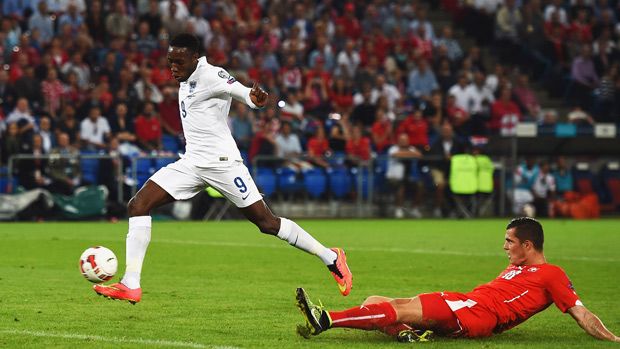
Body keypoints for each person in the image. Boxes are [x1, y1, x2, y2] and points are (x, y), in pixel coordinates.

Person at [93, 34, 352, 304]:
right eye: (170, 61)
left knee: (267, 223)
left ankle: (331, 257)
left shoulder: (212, 74)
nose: (173, 67)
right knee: (138, 205)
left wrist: (255, 99)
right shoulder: (185, 77)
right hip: (192, 163)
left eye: (178, 62)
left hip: (223, 165)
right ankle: (131, 284)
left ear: (195, 58)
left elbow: (241, 92)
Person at [296, 217, 620, 343]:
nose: (504, 246)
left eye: (510, 241)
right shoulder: (517, 270)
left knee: (402, 307)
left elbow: (581, 313)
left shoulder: (552, 274)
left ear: (528, 245)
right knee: (374, 301)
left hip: (478, 312)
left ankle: (327, 320)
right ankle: (407, 335)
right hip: (470, 306)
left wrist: (612, 339)